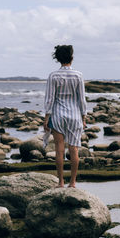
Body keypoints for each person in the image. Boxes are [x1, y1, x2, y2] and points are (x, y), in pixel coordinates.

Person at [43, 45, 87, 188]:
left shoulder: (53, 76)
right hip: (75, 116)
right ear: (71, 58)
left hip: (58, 115)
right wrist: (84, 117)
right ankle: (73, 183)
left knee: (59, 150)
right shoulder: (78, 75)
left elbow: (49, 99)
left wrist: (46, 117)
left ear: (58, 59)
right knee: (74, 149)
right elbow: (82, 99)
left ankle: (61, 182)